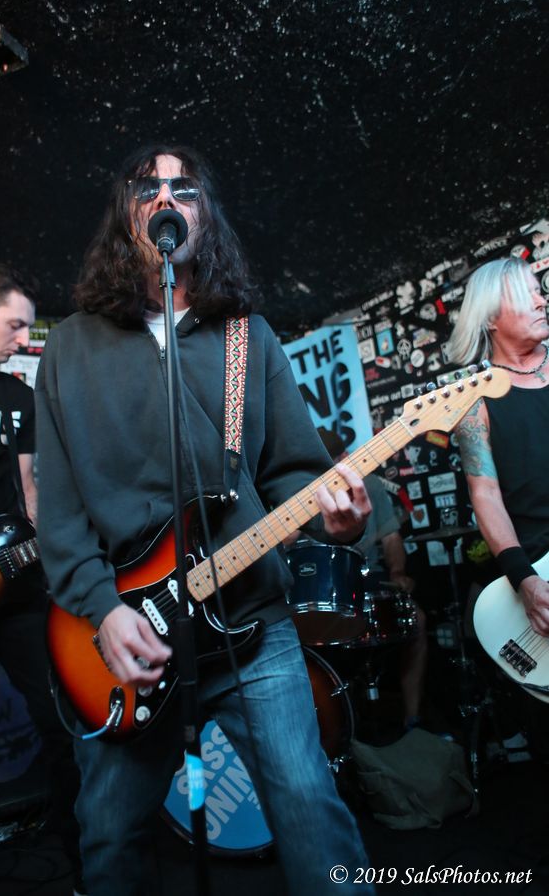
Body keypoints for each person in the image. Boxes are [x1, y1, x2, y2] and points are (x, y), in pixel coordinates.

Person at [34, 144, 375, 896]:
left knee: (312, 816)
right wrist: (102, 610)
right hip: (128, 635)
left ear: (205, 215)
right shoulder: (68, 348)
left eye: (184, 188)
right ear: (126, 216)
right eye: (147, 188)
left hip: (253, 624)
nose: (166, 198)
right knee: (110, 838)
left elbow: (292, 471)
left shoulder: (248, 336)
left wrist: (340, 522)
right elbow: (58, 514)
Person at [0, 264, 82, 894]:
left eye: (30, 328)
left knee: (62, 718)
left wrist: (57, 541)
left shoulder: (16, 398)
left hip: (13, 581)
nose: (24, 339)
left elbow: (29, 494)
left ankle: (83, 864)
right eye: (15, 325)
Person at [448, 256, 549, 636]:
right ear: (490, 317)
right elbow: (485, 492)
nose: (541, 301)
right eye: (526, 295)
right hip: (538, 566)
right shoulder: (475, 399)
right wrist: (525, 578)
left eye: (539, 292)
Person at [317, 428, 428, 729]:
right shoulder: (306, 493)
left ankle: (412, 717)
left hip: (370, 578)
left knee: (417, 621)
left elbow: (391, 537)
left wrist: (397, 572)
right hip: (327, 587)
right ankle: (338, 729)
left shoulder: (370, 484)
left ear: (345, 457)